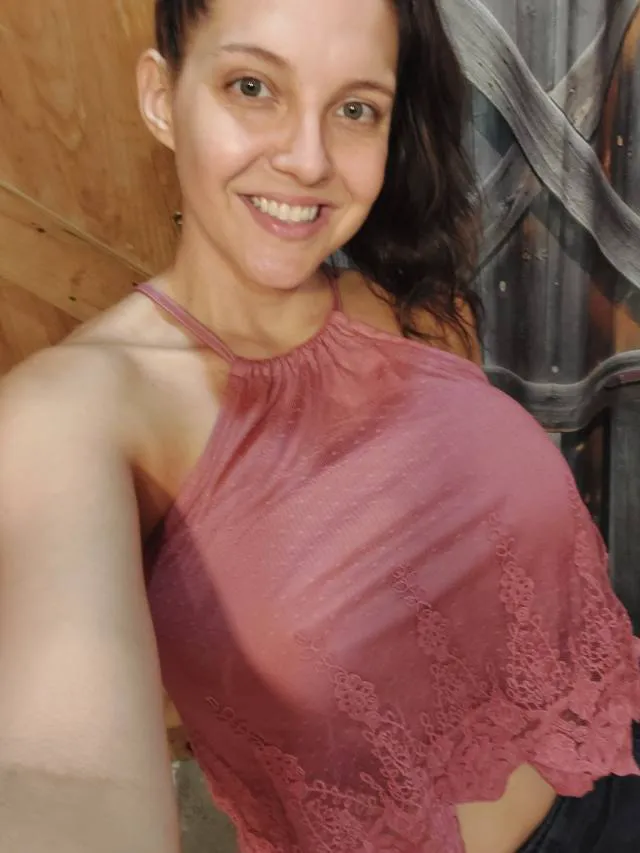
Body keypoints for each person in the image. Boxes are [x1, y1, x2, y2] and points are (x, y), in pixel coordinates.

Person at [0, 0, 639, 851]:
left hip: (614, 769)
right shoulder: (75, 413)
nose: (308, 159)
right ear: (161, 97)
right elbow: (62, 778)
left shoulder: (412, 304)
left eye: (355, 108)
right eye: (252, 86)